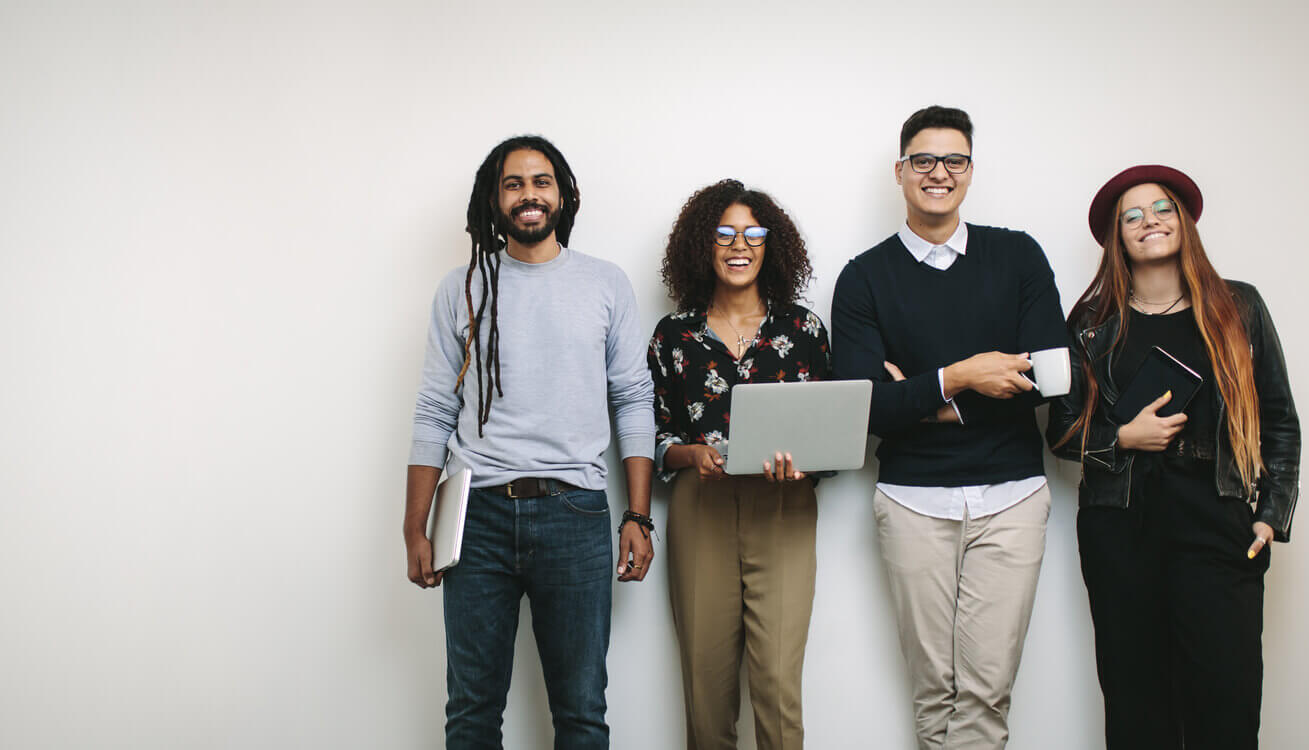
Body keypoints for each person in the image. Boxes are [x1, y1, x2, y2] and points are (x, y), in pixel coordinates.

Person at [403, 135, 656, 750]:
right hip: (477, 514)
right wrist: (415, 525)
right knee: (471, 710)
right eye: (513, 184)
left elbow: (633, 399)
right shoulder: (462, 288)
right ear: (494, 200)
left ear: (563, 194)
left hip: (574, 511)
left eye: (540, 182)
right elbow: (436, 408)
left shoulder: (605, 284)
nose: (528, 195)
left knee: (580, 711)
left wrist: (639, 516)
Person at [831, 105, 1067, 749]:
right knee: (934, 692)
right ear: (900, 171)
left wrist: (916, 394)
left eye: (954, 160)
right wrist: (962, 376)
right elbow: (862, 410)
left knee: (986, 693)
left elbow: (1050, 379)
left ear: (970, 170)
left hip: (1012, 498)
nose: (940, 173)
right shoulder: (863, 277)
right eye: (924, 161)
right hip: (913, 501)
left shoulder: (1017, 256)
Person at [1046, 164, 1300, 750]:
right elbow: (1059, 433)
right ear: (1118, 238)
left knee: (1226, 703)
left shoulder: (1239, 307)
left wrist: (1270, 515)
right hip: (1120, 530)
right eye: (1131, 216)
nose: (1149, 221)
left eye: (1161, 209)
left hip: (1217, 522)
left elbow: (1279, 419)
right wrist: (1121, 439)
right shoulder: (1090, 325)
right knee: (1137, 707)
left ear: (1183, 221)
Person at [647, 179, 830, 750]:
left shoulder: (803, 330)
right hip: (701, 509)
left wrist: (804, 466)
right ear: (704, 244)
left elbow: (832, 430)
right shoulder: (673, 335)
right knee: (706, 694)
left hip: (785, 510)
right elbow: (654, 436)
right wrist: (690, 454)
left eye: (753, 233)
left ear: (770, 246)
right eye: (724, 233)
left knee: (778, 688)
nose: (739, 244)